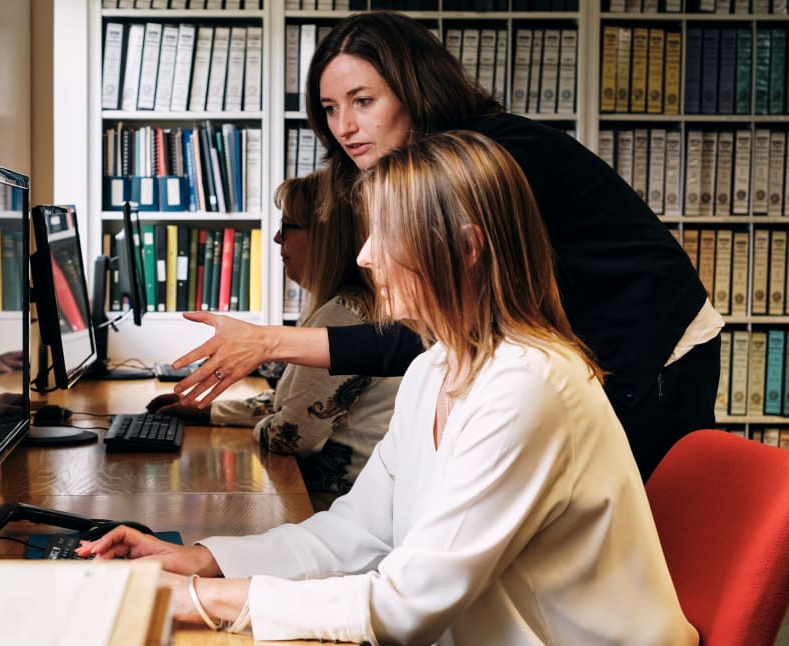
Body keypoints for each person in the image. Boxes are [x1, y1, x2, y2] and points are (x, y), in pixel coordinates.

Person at [77, 133, 697, 644]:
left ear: (466, 249)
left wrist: (194, 600)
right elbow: (358, 534)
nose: (366, 256)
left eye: (384, 235)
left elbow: (405, 608)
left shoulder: (529, 385)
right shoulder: (434, 367)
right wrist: (203, 560)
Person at [168, 11, 723, 481]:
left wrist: (270, 343)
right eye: (331, 108)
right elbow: (435, 333)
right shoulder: (422, 175)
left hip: (655, 348)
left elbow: (424, 333)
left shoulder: (482, 163)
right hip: (578, 346)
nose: (344, 126)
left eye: (362, 100)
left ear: (413, 90)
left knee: (627, 525)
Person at [148, 171, 400, 511]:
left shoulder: (344, 315)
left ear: (325, 237)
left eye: (288, 226)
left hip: (334, 507)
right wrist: (207, 412)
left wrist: (263, 422)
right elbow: (292, 403)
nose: (278, 239)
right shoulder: (341, 306)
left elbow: (289, 434)